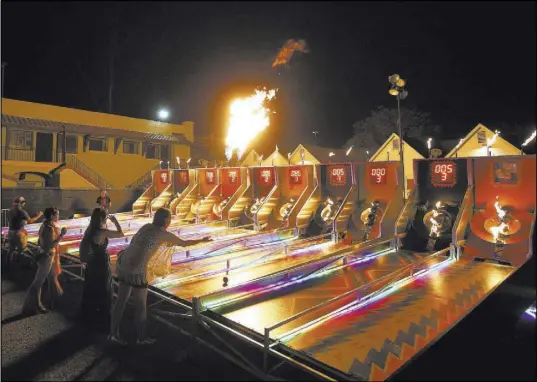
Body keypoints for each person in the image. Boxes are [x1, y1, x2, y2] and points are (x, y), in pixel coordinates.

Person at [109, 208, 212, 345]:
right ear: (165, 221)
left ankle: (113, 334)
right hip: (137, 269)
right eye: (169, 219)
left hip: (124, 262)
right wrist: (202, 240)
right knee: (141, 306)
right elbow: (184, 243)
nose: (170, 221)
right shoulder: (163, 234)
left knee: (121, 300)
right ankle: (142, 338)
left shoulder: (146, 227)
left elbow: (134, 242)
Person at [79, 208, 125, 331]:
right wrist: (115, 222)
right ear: (102, 219)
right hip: (101, 262)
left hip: (92, 262)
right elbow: (121, 234)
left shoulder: (90, 230)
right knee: (105, 287)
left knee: (92, 286)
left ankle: (91, 315)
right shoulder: (102, 232)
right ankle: (104, 318)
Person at [21, 207, 67, 315]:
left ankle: (48, 302)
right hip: (47, 257)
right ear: (51, 215)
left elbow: (39, 241)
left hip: (44, 255)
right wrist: (61, 234)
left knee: (50, 279)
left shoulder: (44, 225)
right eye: (57, 214)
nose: (58, 216)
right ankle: (34, 306)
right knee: (38, 283)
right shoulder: (49, 228)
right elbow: (51, 245)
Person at [5, 196, 43, 269]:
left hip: (10, 232)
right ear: (21, 203)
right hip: (19, 233)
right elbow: (30, 221)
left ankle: (7, 265)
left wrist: (23, 222)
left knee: (11, 249)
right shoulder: (22, 211)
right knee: (23, 249)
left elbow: (15, 220)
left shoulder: (10, 211)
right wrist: (38, 216)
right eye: (24, 203)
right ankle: (31, 262)